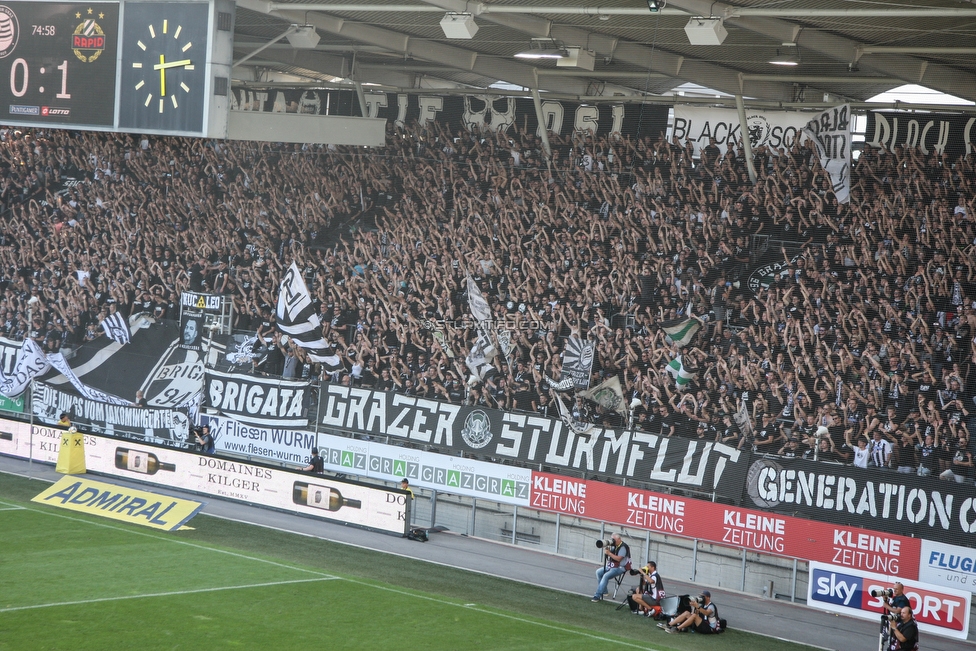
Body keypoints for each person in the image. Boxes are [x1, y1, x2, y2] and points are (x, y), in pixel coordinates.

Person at [591, 532, 630, 602]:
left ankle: (597, 595)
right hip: (612, 565)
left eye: (614, 539)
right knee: (598, 572)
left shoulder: (623, 547)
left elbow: (619, 559)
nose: (612, 541)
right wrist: (608, 551)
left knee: (606, 576)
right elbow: (610, 556)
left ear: (618, 539)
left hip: (620, 567)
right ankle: (604, 591)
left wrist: (609, 553)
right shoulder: (614, 546)